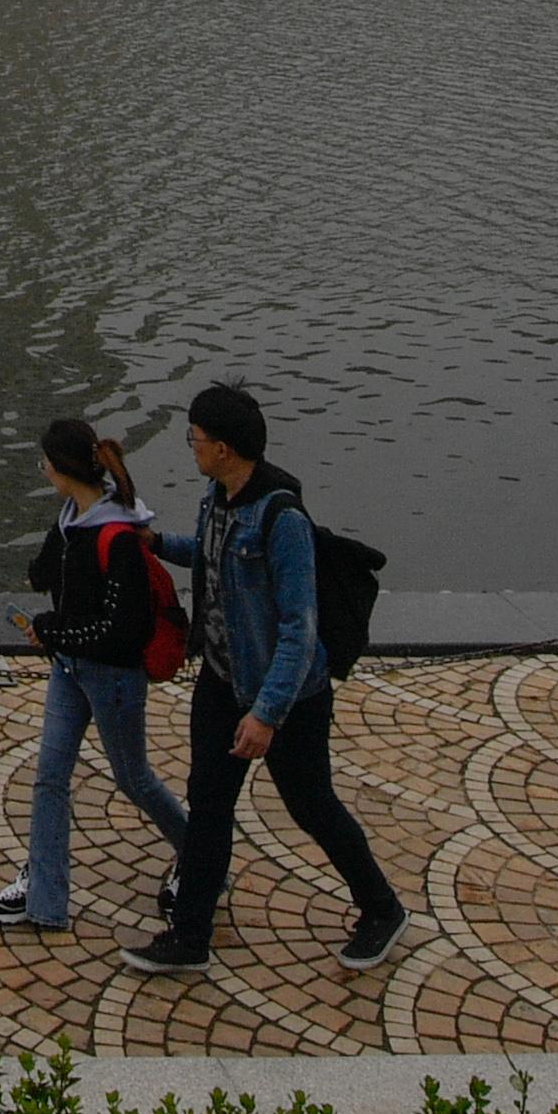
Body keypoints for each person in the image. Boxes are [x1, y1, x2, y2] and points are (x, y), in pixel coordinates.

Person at [131, 380, 405, 974]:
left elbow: (299, 629)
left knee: (311, 806)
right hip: (221, 682)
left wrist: (266, 714)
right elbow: (210, 556)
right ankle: (190, 936)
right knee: (209, 806)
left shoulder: (282, 520)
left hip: (287, 698)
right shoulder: (217, 496)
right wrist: (155, 542)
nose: (191, 447)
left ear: (223, 448)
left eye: (195, 438)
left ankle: (382, 908)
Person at [0, 417, 186, 932]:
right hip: (69, 668)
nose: (43, 470)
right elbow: (41, 574)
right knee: (50, 777)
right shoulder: (73, 518)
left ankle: (202, 859)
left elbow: (120, 633)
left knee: (134, 779)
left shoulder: (118, 537)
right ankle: (45, 898)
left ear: (59, 468)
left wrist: (52, 630)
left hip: (112, 677)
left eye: (44, 463)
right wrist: (60, 545)